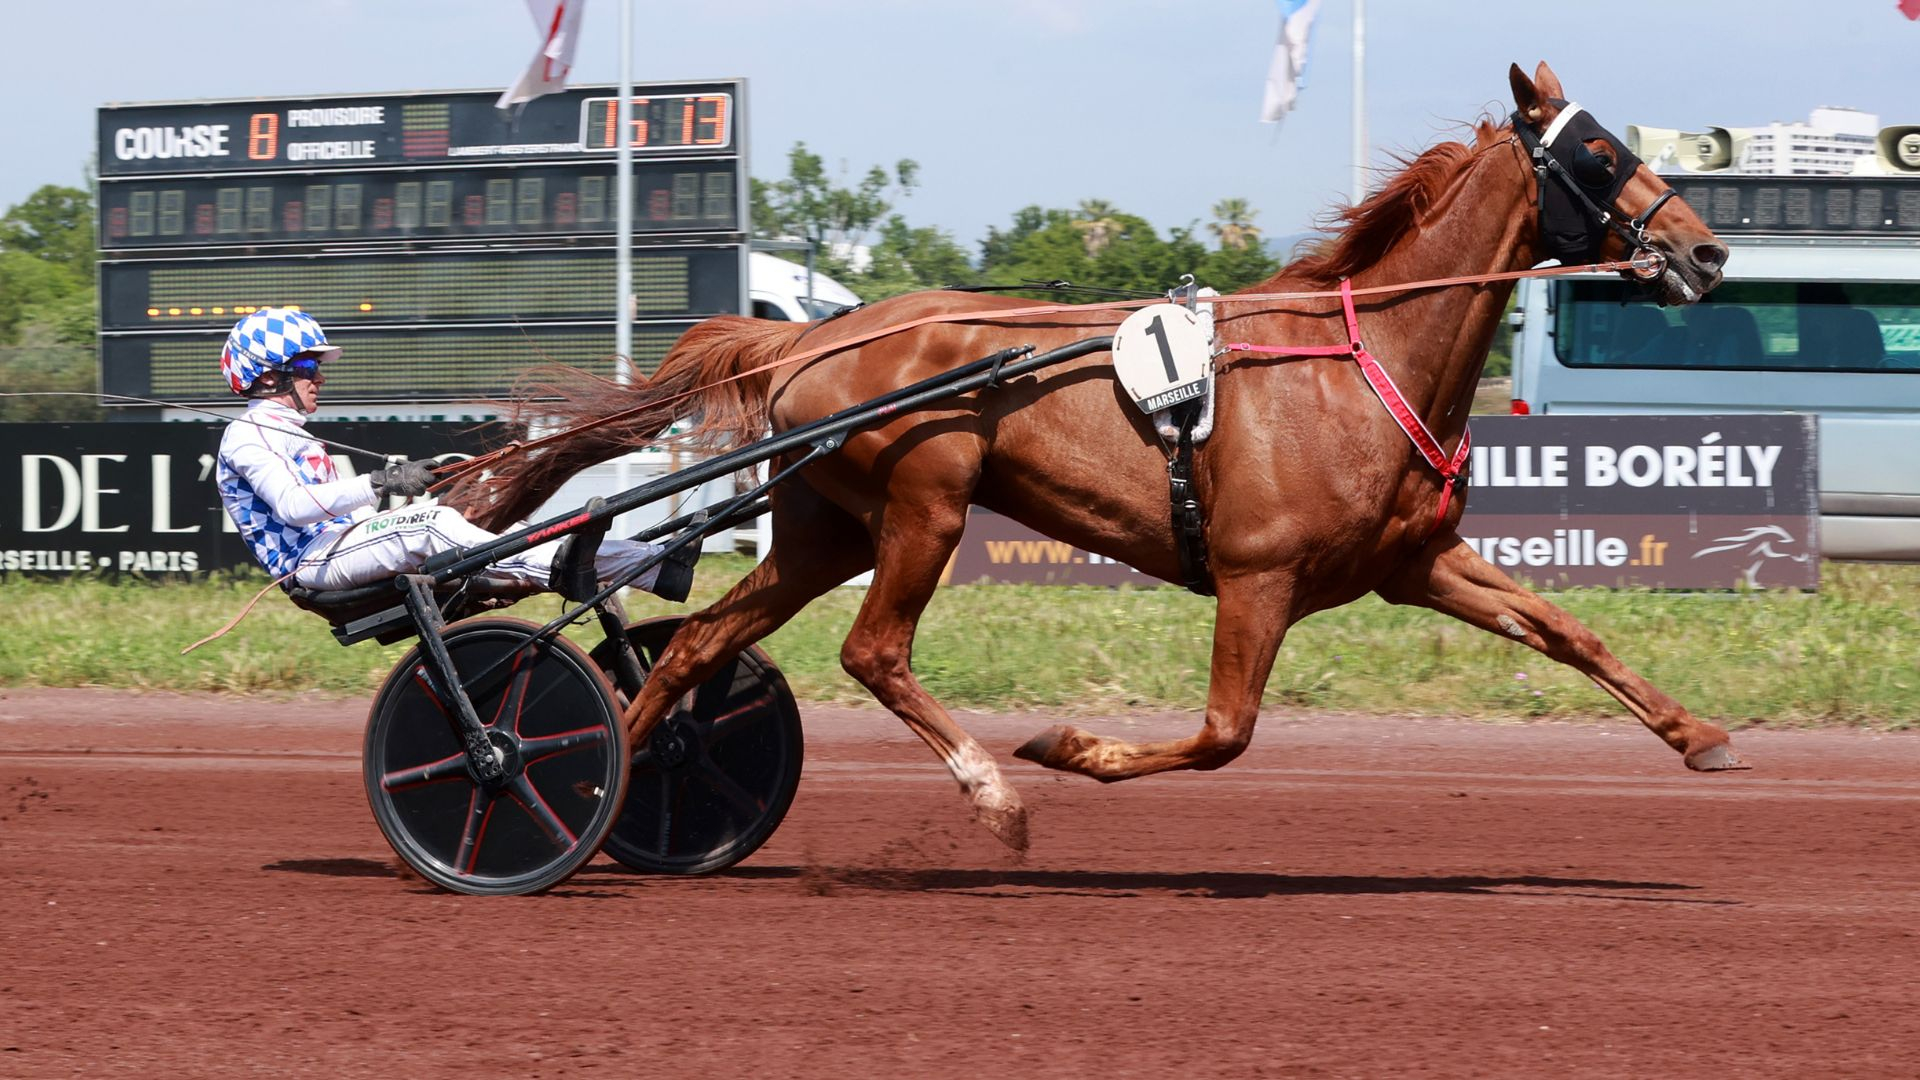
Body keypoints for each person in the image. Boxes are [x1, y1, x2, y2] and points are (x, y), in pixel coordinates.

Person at [212, 307, 693, 600]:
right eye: (308, 365)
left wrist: (419, 484)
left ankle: (655, 563)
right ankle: (559, 571)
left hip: (340, 546)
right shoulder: (246, 437)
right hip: (311, 563)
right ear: (269, 376)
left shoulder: (288, 431)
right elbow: (294, 508)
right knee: (429, 527)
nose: (320, 376)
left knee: (494, 527)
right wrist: (383, 483)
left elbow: (348, 508)